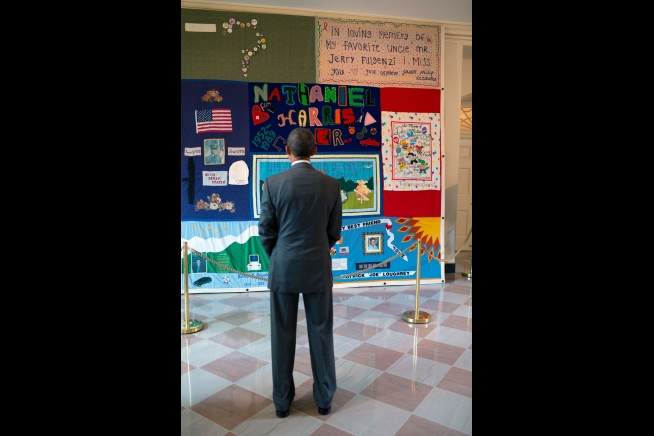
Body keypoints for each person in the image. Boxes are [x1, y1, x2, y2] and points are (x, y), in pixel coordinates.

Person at [258, 127, 342, 418]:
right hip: (318, 265)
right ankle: (324, 399)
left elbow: (266, 231)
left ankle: (282, 403)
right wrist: (318, 248)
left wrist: (280, 256)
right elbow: (334, 231)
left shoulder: (272, 184)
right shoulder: (331, 185)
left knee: (281, 335)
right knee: (321, 333)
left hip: (284, 267)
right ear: (314, 151)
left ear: (287, 151)